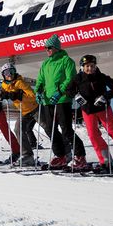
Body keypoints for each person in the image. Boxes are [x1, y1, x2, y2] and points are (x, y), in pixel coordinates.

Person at [35, 34, 87, 170]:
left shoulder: (66, 61)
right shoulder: (45, 63)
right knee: (49, 128)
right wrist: (39, 90)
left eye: (49, 48)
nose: (47, 50)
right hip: (48, 100)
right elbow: (40, 79)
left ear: (56, 48)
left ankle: (80, 156)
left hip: (62, 99)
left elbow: (71, 79)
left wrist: (60, 91)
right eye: (45, 48)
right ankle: (61, 155)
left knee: (66, 130)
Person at [0, 62, 39, 166]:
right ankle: (27, 155)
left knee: (48, 127)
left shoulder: (20, 83)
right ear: (3, 75)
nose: (9, 74)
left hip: (35, 108)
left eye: (11, 71)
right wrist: (2, 95)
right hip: (24, 112)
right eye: (6, 72)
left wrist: (19, 95)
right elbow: (0, 95)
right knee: (18, 129)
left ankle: (64, 151)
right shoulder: (4, 85)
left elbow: (33, 96)